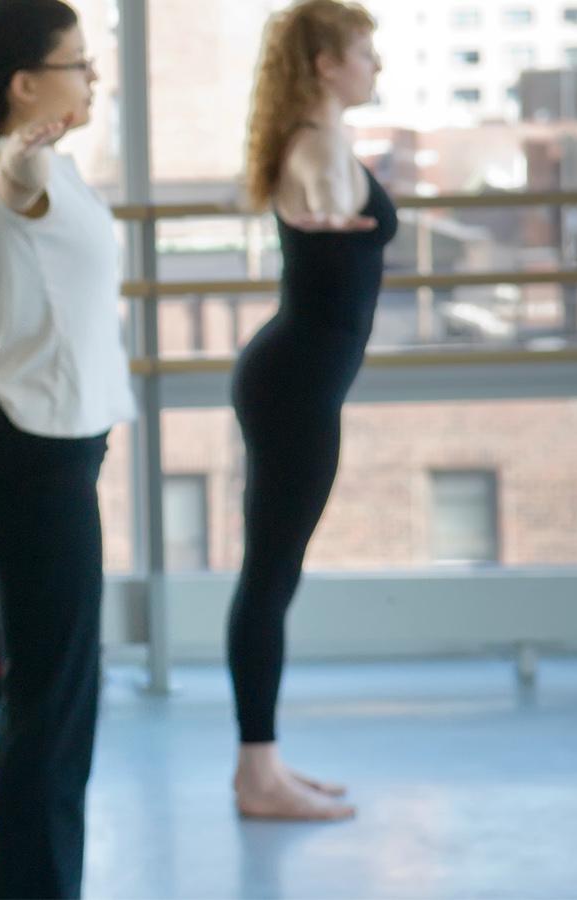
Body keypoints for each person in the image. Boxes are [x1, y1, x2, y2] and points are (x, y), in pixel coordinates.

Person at [0, 2, 137, 896]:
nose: (91, 78)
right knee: (52, 711)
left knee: (61, 707)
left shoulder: (46, 166)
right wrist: (26, 146)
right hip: (35, 457)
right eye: (78, 64)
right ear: (26, 84)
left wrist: (38, 146)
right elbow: (16, 175)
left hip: (52, 454)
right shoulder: (7, 169)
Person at [226, 0, 395, 821]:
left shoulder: (321, 139)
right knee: (269, 575)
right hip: (294, 385)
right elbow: (323, 221)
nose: (376, 66)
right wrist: (333, 226)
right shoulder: (319, 145)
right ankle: (258, 774)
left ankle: (265, 765)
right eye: (365, 52)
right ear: (327, 64)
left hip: (295, 379)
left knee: (274, 574)